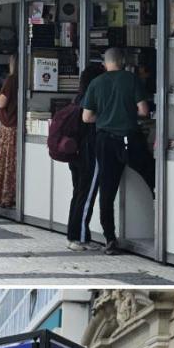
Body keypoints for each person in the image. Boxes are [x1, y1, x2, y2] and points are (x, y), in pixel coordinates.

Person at [79, 48, 154, 255]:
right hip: (130, 139)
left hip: (105, 142)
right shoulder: (131, 79)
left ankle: (110, 239)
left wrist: (105, 117)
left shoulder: (96, 83)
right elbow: (144, 111)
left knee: (107, 190)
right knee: (154, 178)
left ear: (105, 63)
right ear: (123, 61)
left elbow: (86, 117)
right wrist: (126, 115)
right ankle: (164, 227)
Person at [58, 63, 105, 249]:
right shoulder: (92, 97)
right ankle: (79, 238)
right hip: (89, 153)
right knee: (86, 196)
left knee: (78, 193)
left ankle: (74, 235)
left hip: (76, 153)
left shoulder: (78, 97)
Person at [0, 56, 18, 209]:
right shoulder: (22, 79)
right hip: (16, 126)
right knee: (11, 164)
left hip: (8, 128)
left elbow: (2, 102)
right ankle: (10, 196)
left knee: (5, 163)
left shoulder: (11, 80)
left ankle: (2, 196)